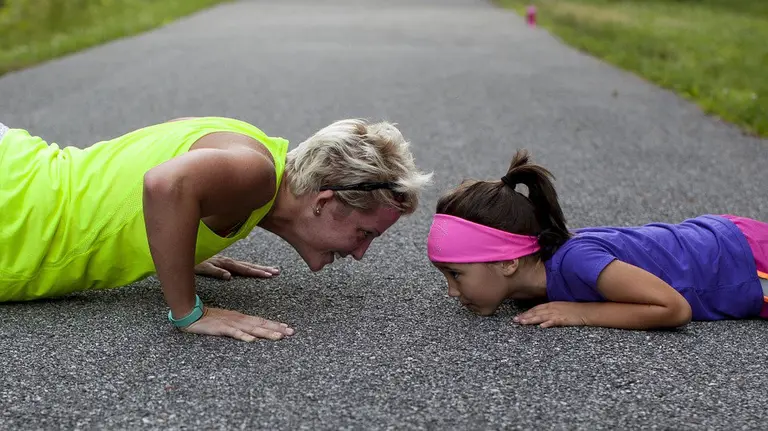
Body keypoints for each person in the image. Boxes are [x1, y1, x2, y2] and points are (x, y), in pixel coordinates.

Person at [0, 116, 432, 341]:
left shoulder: (251, 149)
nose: (361, 253)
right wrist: (190, 312)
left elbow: (149, 158)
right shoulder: (256, 174)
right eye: (365, 234)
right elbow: (164, 183)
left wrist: (178, 242)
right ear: (323, 202)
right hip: (14, 211)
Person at [426, 149, 768, 330]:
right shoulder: (530, 282)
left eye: (456, 274)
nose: (452, 291)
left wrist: (581, 313)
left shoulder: (576, 261)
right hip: (728, 241)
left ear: (507, 261)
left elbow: (673, 308)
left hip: (745, 261)